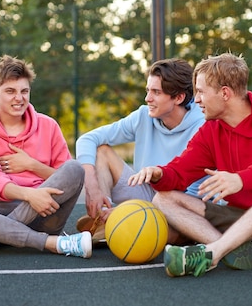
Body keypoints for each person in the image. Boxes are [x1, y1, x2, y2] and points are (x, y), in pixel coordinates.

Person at [129, 52, 252, 277]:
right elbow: (180, 172)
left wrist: (241, 179)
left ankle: (213, 252)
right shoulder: (211, 131)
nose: (196, 99)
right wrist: (159, 173)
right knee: (163, 199)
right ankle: (235, 250)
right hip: (242, 222)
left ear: (225, 93)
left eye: (200, 92)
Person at [0, 55, 91, 259]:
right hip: (0, 210)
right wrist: (29, 195)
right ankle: (52, 243)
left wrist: (32, 165)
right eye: (10, 91)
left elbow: (67, 178)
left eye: (24, 91)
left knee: (75, 168)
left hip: (46, 212)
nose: (19, 98)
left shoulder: (49, 126)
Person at [75, 58, 206, 240]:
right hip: (146, 192)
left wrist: (130, 212)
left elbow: (191, 197)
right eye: (147, 91)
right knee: (101, 150)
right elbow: (87, 139)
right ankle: (105, 218)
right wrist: (92, 185)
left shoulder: (203, 125)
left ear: (178, 97)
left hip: (178, 205)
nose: (147, 98)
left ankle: (117, 223)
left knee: (174, 232)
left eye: (156, 92)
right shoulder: (143, 116)